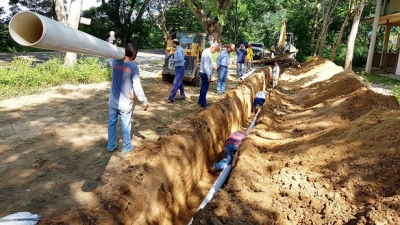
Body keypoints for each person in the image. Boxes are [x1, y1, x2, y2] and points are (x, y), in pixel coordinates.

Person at [107, 43, 149, 154]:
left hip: (113, 101)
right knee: (125, 125)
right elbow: (137, 87)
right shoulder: (133, 67)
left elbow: (109, 58)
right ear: (134, 54)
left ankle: (111, 145)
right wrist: (144, 101)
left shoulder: (115, 62)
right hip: (125, 104)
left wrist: (116, 49)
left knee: (111, 124)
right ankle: (126, 147)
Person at [198, 42, 219, 108]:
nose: (215, 51)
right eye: (215, 49)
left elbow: (209, 62)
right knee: (205, 88)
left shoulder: (206, 51)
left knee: (203, 87)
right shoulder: (207, 54)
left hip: (203, 72)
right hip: (205, 73)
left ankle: (200, 101)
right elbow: (206, 66)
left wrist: (214, 64)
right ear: (212, 47)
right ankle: (203, 103)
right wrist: (209, 76)